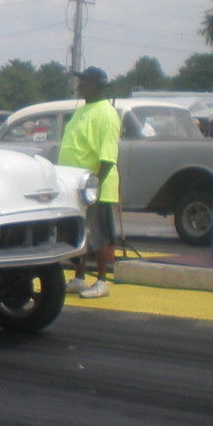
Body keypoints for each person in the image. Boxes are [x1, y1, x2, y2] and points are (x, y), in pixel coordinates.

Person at [58, 67, 120, 299]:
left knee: (101, 234)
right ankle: (80, 277)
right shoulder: (84, 109)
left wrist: (94, 187)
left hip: (94, 187)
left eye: (84, 80)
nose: (79, 84)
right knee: (82, 233)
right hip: (76, 185)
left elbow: (107, 157)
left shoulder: (106, 113)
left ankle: (102, 280)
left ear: (96, 84)